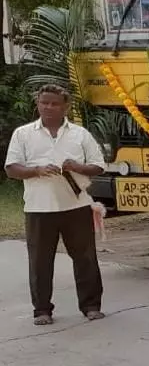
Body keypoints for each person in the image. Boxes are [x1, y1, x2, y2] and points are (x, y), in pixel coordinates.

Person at [4, 85, 106, 326]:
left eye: (54, 103)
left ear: (65, 106)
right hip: (39, 208)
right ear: (37, 104)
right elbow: (11, 168)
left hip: (76, 206)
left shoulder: (80, 134)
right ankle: (42, 310)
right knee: (40, 261)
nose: (48, 107)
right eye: (44, 103)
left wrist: (77, 167)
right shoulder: (23, 133)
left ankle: (91, 306)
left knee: (85, 258)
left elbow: (99, 166)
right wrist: (36, 170)